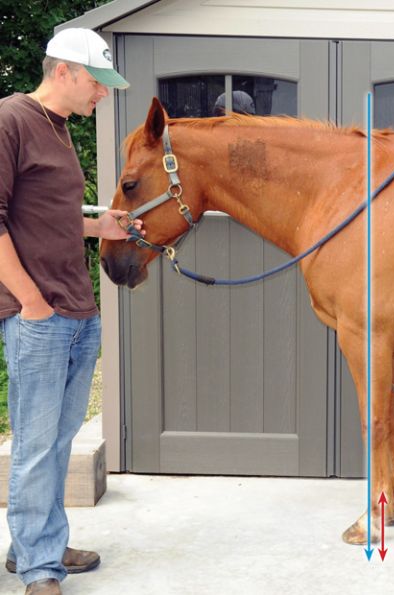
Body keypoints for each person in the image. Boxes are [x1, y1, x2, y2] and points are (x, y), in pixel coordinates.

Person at [0, 28, 143, 595]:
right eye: (97, 82)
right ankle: (39, 568)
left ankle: (37, 544)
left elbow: (45, 217)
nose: (103, 94)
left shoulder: (58, 130)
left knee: (57, 442)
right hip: (40, 315)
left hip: (78, 312)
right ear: (63, 71)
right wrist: (31, 302)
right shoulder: (11, 119)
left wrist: (99, 226)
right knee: (35, 445)